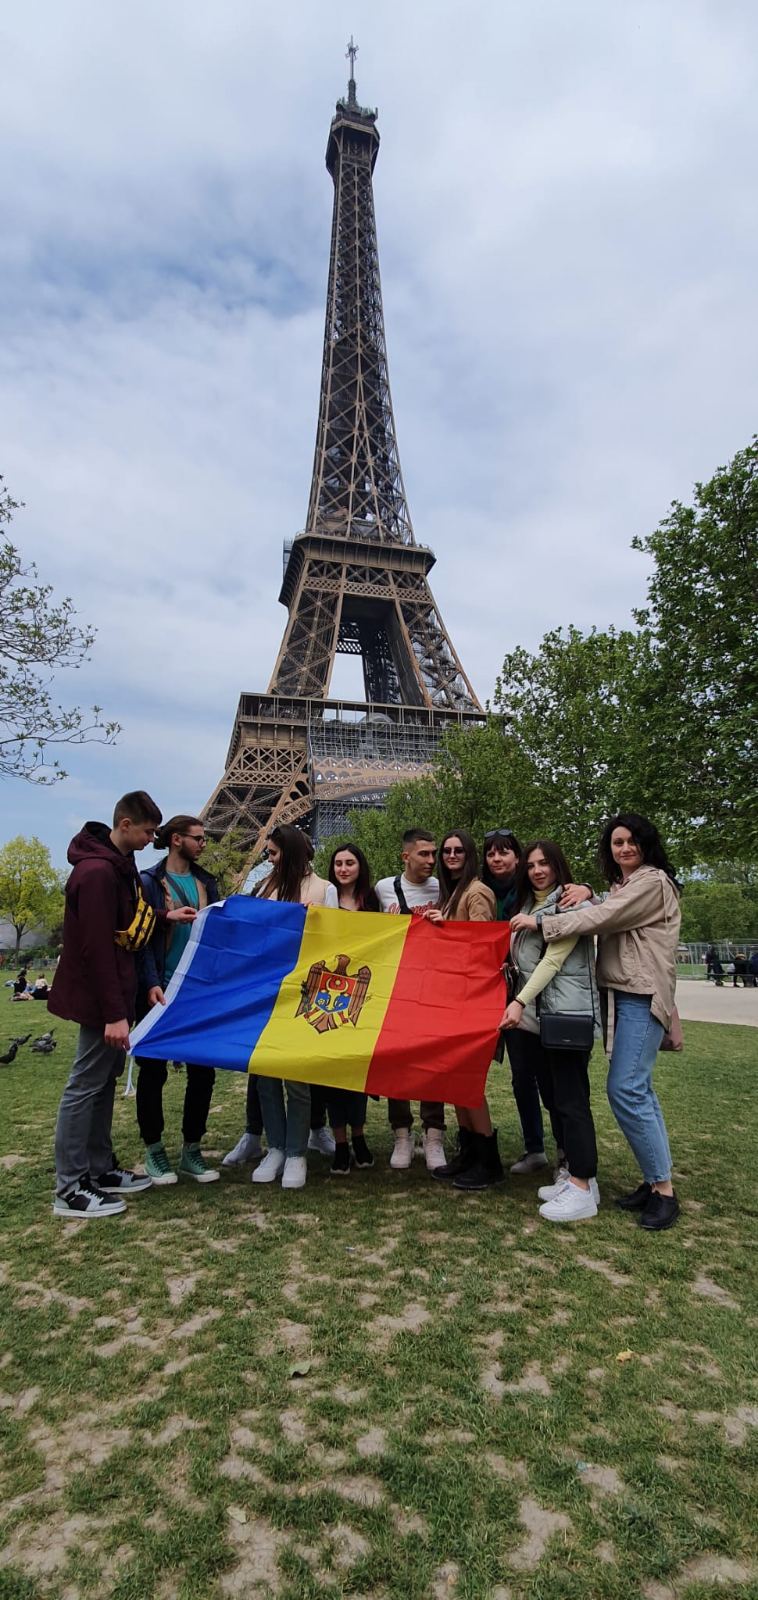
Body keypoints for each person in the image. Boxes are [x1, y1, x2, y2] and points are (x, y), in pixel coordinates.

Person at [49, 791, 195, 1219]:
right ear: (125, 824)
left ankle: (98, 1168)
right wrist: (115, 1013)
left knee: (103, 1083)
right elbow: (97, 947)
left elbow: (129, 924)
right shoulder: (96, 873)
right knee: (85, 1086)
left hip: (116, 994)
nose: (154, 839)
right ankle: (71, 1187)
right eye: (149, 831)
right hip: (101, 1000)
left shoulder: (118, 867)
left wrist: (163, 926)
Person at [538, 813, 682, 1232]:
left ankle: (665, 1192)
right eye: (617, 842)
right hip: (625, 995)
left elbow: (602, 918)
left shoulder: (652, 882)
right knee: (639, 1093)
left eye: (632, 840)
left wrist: (545, 923)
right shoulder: (628, 886)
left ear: (647, 844)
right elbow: (609, 905)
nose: (624, 848)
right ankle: (655, 1184)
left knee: (627, 1090)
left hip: (639, 995)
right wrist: (591, 892)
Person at [501, 840, 601, 1222]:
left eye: (545, 863)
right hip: (543, 1017)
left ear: (559, 865)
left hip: (565, 1013)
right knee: (558, 1098)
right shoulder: (526, 904)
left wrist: (519, 1001)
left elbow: (553, 961)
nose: (538, 870)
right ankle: (578, 1177)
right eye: (531, 865)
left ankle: (583, 1184)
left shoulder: (571, 902)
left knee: (572, 1101)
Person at [244, 825, 338, 1192]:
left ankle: (297, 1151)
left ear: (292, 852)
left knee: (297, 1079)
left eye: (273, 853)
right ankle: (276, 1148)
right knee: (266, 1075)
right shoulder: (264, 888)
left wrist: (313, 921)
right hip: (266, 989)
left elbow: (334, 942)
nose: (269, 858)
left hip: (303, 991)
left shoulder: (324, 890)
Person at [134, 816, 221, 1186]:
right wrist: (151, 981)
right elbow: (137, 936)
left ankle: (192, 1148)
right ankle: (154, 1149)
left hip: (197, 992)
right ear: (175, 840)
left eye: (204, 838)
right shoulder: (148, 882)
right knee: (152, 1073)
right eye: (197, 838)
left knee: (203, 1072)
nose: (203, 844)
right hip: (157, 988)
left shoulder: (207, 883)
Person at [425, 830, 504, 1190]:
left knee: (469, 1081)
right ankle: (470, 1153)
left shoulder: (477, 892)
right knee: (454, 1079)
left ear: (469, 855)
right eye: (446, 851)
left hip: (470, 1001)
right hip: (453, 997)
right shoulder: (453, 892)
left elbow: (482, 945)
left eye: (458, 850)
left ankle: (488, 1160)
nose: (451, 855)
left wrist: (447, 928)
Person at [374, 829, 446, 1171]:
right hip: (397, 986)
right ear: (406, 856)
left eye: (434, 854)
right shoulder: (383, 888)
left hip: (435, 987)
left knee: (433, 1061)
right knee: (397, 1062)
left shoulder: (445, 888)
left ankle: (434, 1133)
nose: (431, 860)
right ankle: (401, 1132)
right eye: (424, 854)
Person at [324, 843, 380, 1175]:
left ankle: (358, 1137)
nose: (344, 868)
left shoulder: (373, 901)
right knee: (331, 1073)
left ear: (360, 866)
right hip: (329, 994)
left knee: (356, 1072)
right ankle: (341, 1143)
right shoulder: (326, 898)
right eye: (339, 863)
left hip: (365, 992)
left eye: (350, 862)